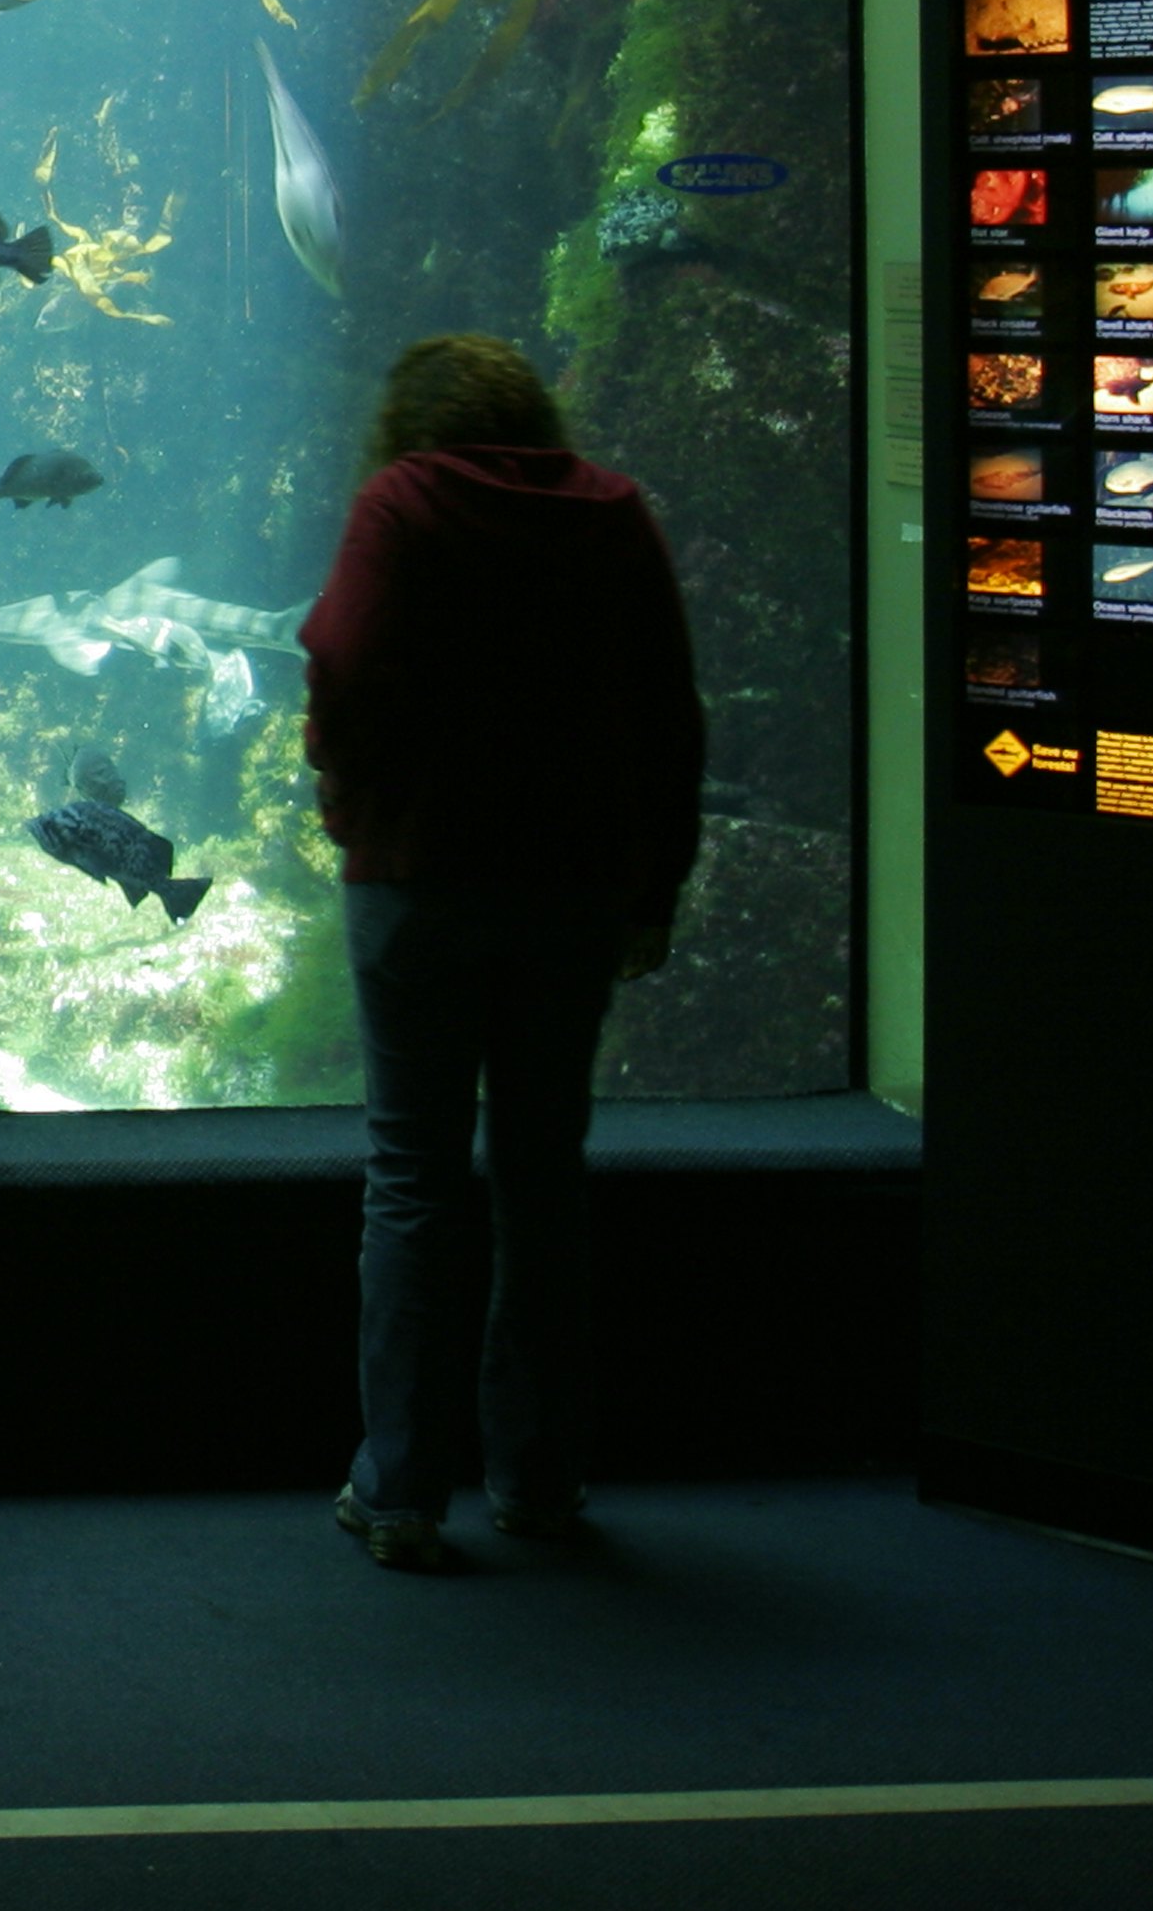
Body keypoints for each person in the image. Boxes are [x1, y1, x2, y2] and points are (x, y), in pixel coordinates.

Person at [299, 333, 704, 1572]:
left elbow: (342, 658)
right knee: (540, 1173)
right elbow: (668, 708)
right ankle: (535, 1476)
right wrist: (655, 881)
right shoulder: (610, 511)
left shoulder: (398, 501)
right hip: (572, 887)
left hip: (417, 875)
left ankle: (400, 1489)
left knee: (412, 1174)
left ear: (406, 422)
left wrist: (346, 799)